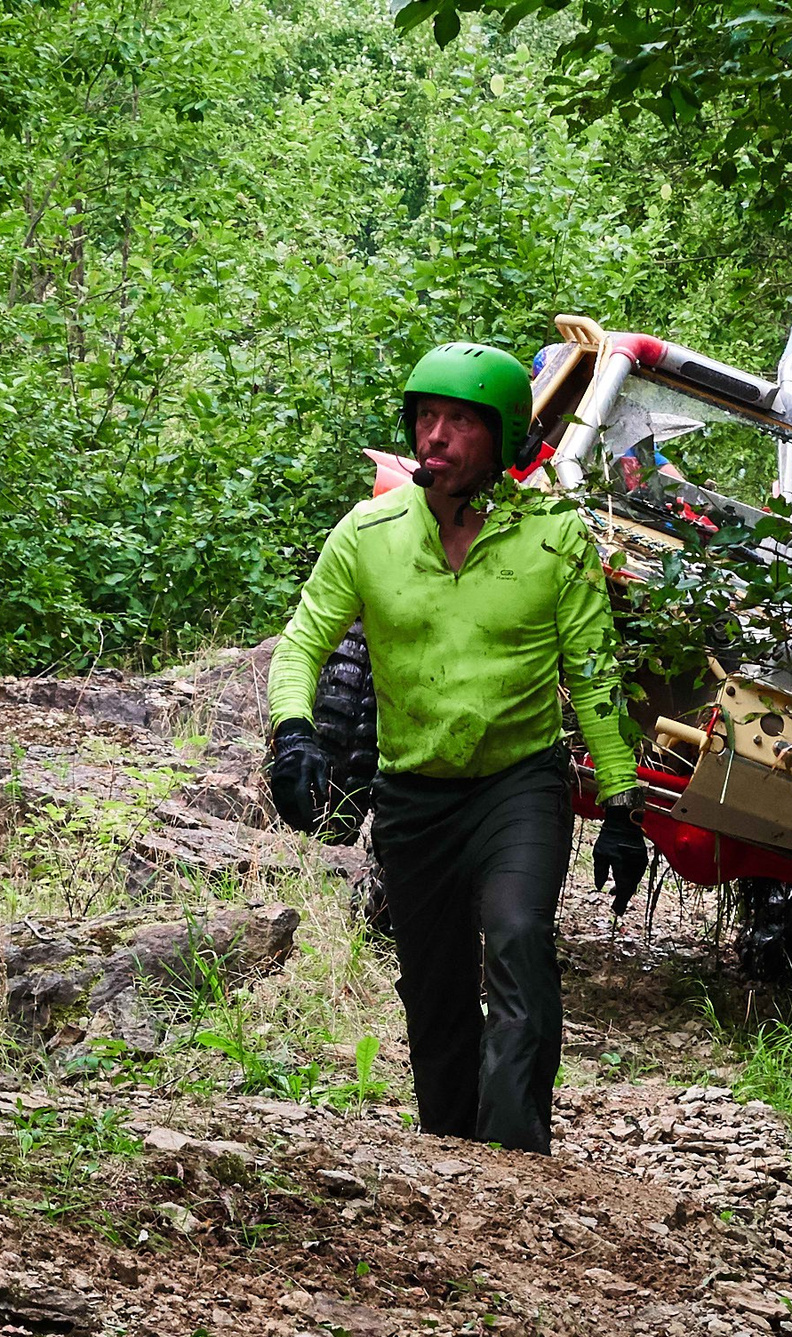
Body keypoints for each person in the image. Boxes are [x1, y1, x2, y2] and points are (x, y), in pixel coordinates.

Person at [262, 342, 649, 1155]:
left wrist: (622, 804)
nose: (435, 437)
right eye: (426, 419)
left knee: (516, 936)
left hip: (519, 785)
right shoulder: (369, 534)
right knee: (433, 992)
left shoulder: (556, 538)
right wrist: (292, 731)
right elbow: (300, 645)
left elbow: (595, 676)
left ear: (505, 438)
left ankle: (514, 1153)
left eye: (460, 423)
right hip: (415, 795)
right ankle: (453, 1159)